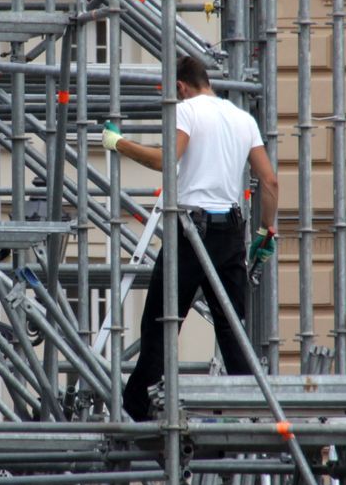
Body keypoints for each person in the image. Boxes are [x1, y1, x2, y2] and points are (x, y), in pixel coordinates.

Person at [103, 54, 278, 421]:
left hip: (191, 231)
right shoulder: (243, 119)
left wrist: (118, 143)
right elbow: (270, 181)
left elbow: (164, 161)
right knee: (232, 331)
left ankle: (137, 412)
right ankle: (252, 413)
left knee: (161, 323)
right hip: (231, 232)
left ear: (181, 86)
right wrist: (266, 230)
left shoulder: (186, 111)